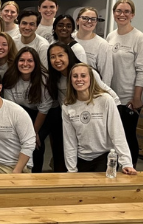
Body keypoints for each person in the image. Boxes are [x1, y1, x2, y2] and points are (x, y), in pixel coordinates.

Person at [46, 43, 120, 172]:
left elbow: (107, 92)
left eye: (61, 55)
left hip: (97, 113)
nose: (57, 60)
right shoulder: (54, 77)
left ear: (69, 55)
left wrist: (110, 115)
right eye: (53, 57)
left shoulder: (84, 72)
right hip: (72, 115)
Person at [62, 63, 136, 174]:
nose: (79, 79)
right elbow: (69, 140)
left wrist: (126, 163)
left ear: (91, 78)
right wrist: (71, 169)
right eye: (75, 76)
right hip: (82, 158)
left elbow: (117, 133)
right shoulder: (67, 106)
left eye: (83, 76)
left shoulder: (105, 100)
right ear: (70, 80)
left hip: (105, 156)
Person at [106, 0, 143, 163]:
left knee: (127, 135)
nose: (122, 14)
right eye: (118, 11)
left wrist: (137, 97)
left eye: (126, 11)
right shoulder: (111, 36)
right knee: (112, 138)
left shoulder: (139, 38)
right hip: (111, 95)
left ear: (132, 15)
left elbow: (142, 70)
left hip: (129, 97)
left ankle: (129, 170)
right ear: (114, 13)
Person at [2, 47, 53, 172]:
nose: (25, 64)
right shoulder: (10, 77)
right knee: (17, 140)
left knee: (36, 143)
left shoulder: (44, 79)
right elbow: (11, 108)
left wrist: (33, 132)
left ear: (35, 63)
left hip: (42, 115)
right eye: (22, 60)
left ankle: (36, 176)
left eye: (30, 61)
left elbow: (44, 108)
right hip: (19, 113)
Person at [72, 7, 114, 85]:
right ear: (77, 21)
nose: (89, 21)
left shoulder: (102, 45)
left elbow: (106, 75)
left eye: (93, 19)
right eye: (85, 18)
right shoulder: (70, 40)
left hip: (92, 91)